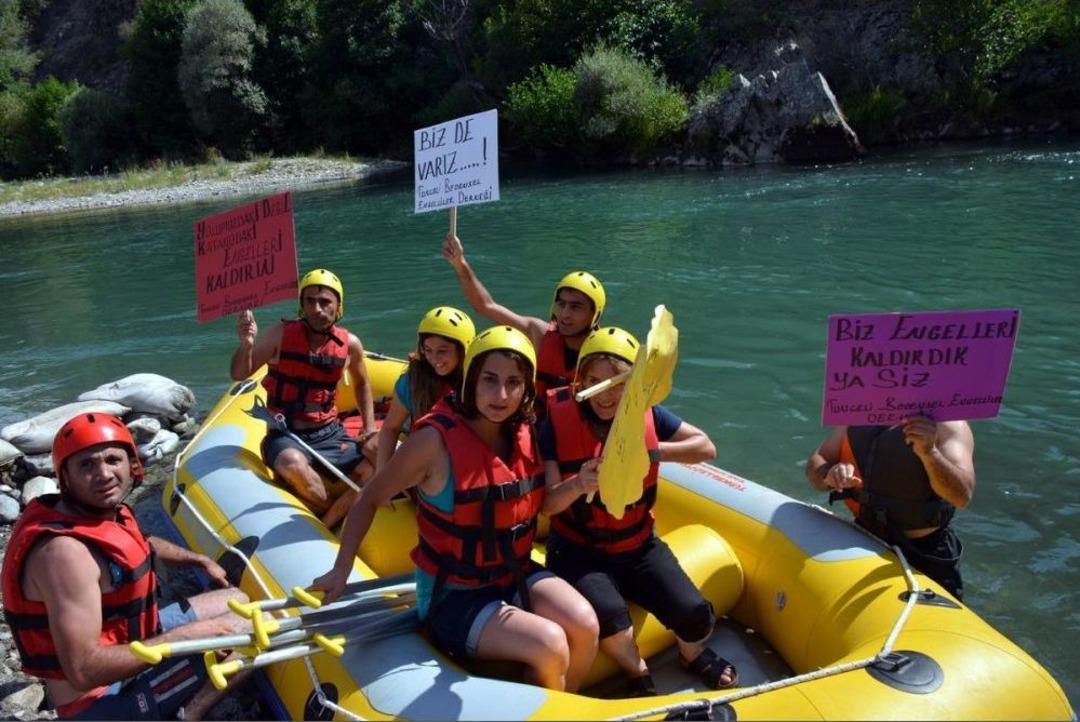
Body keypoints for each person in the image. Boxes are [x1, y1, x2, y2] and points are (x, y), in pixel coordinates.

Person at [310, 326, 600, 692]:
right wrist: (342, 568)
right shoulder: (433, 441)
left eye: (514, 382)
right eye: (489, 380)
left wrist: (580, 484)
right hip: (455, 594)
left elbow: (540, 502)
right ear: (471, 381)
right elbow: (369, 497)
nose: (501, 395)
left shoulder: (525, 432)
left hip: (513, 572)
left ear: (527, 389)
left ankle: (562, 709)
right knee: (550, 643)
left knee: (586, 623)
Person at [1, 413, 251, 720]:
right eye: (87, 465)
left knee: (237, 601)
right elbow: (83, 671)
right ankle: (189, 714)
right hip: (97, 700)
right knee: (249, 629)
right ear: (65, 478)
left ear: (131, 464)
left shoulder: (102, 513)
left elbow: (141, 543)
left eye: (112, 459)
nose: (104, 473)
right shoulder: (64, 554)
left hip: (127, 640)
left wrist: (197, 559)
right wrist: (184, 637)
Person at [541, 327, 736, 696]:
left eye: (616, 382)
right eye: (594, 381)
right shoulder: (556, 420)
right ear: (580, 379)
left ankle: (691, 653)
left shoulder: (647, 412)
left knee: (696, 614)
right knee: (614, 623)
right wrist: (578, 484)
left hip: (638, 545)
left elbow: (705, 448)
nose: (606, 393)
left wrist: (650, 454)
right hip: (577, 550)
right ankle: (637, 669)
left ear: (632, 383)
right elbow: (548, 503)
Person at [231, 268, 378, 523]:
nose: (317, 309)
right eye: (310, 301)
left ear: (338, 307)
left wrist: (368, 427)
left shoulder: (350, 345)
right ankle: (333, 514)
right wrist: (246, 345)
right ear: (301, 305)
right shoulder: (281, 334)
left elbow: (363, 384)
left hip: (329, 433)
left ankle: (329, 519)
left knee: (376, 467)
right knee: (291, 463)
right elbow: (239, 373)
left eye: (325, 302)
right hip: (286, 433)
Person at [805, 418, 975, 599]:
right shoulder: (861, 412)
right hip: (864, 539)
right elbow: (817, 463)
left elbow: (962, 496)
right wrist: (829, 475)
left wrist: (930, 452)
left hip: (925, 553)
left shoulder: (949, 425)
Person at [442, 232, 605, 410]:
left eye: (576, 307)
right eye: (561, 304)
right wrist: (460, 263)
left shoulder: (606, 354)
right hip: (537, 423)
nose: (565, 314)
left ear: (594, 315)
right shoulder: (539, 334)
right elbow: (486, 306)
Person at [375, 306, 476, 472]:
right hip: (428, 462)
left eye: (443, 351)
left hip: (465, 461)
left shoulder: (479, 382)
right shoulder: (412, 382)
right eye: (428, 350)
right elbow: (390, 428)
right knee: (372, 448)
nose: (434, 359)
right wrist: (381, 476)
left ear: (464, 349)